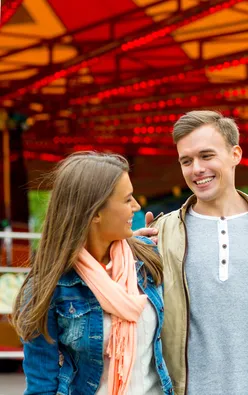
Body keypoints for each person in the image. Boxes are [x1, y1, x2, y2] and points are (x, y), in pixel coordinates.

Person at [144, 110, 248, 394]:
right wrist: (125, 253)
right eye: (186, 161)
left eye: (207, 156)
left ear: (235, 154)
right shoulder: (161, 232)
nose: (196, 169)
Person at [11, 152, 173, 395]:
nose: (136, 207)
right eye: (127, 199)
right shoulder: (48, 287)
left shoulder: (148, 258)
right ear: (95, 212)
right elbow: (41, 386)